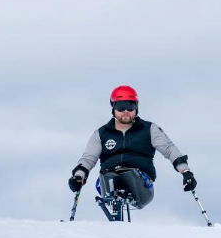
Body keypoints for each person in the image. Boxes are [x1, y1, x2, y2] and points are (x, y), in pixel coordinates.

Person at [68, 85, 197, 213]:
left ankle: (125, 191)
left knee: (129, 175)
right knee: (108, 176)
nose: (125, 111)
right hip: (109, 177)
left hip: (140, 181)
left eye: (129, 106)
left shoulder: (149, 129)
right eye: (120, 106)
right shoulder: (101, 134)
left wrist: (186, 172)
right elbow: (88, 159)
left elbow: (169, 150)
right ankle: (114, 209)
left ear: (136, 107)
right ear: (113, 108)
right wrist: (78, 177)